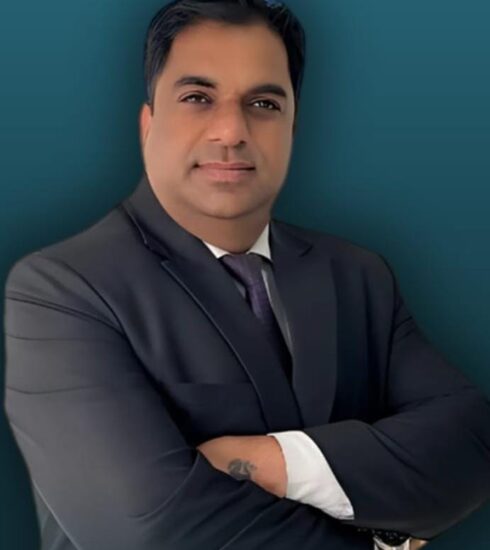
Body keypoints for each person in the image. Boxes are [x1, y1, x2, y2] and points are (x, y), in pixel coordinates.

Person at [3, 1, 489, 549]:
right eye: (197, 97)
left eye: (263, 103)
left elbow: (471, 440)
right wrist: (384, 538)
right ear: (148, 124)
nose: (232, 130)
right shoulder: (62, 289)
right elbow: (152, 531)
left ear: (292, 127)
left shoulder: (359, 276)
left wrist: (273, 461)